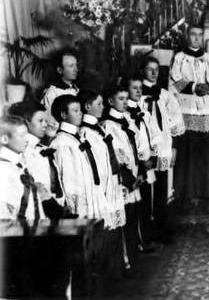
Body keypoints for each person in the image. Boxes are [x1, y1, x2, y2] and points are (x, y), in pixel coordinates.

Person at [169, 26, 209, 200]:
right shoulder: (179, 58)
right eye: (193, 34)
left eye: (200, 35)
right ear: (187, 36)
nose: (196, 38)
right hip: (186, 108)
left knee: (206, 153)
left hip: (205, 111)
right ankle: (187, 192)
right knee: (188, 152)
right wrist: (194, 87)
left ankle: (208, 192)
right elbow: (175, 81)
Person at [139, 59, 185, 238]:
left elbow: (176, 123)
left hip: (164, 147)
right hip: (146, 147)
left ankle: (162, 225)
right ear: (142, 71)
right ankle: (146, 230)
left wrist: (173, 148)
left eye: (156, 70)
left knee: (162, 186)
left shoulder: (165, 95)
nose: (153, 73)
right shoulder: (137, 95)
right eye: (149, 69)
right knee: (146, 188)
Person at [101, 84, 142, 269]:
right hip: (123, 180)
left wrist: (139, 170)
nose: (125, 102)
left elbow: (135, 146)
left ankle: (134, 257)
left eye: (127, 98)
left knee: (133, 218)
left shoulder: (126, 119)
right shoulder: (108, 125)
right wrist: (129, 178)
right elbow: (114, 156)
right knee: (125, 220)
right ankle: (125, 261)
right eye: (121, 99)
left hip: (133, 175)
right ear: (110, 101)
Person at [50, 95, 109, 219]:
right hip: (79, 202)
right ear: (63, 115)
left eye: (80, 110)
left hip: (91, 193)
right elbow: (67, 178)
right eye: (75, 110)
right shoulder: (61, 142)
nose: (81, 114)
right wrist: (73, 206)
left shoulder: (77, 138)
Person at [9, 101, 69, 218]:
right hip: (40, 212)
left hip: (56, 207)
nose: (45, 124)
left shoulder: (42, 149)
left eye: (45, 120)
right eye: (40, 121)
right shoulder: (24, 153)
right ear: (26, 122)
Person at [78, 89, 126, 230]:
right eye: (99, 104)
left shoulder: (100, 129)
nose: (103, 107)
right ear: (87, 106)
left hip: (111, 183)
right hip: (101, 187)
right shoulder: (85, 133)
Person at [124, 76, 162, 249]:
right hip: (137, 165)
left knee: (148, 202)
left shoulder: (145, 113)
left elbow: (155, 135)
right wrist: (141, 162)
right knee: (137, 204)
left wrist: (153, 157)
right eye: (134, 88)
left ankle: (146, 238)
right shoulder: (125, 116)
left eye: (140, 88)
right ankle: (139, 242)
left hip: (148, 163)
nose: (139, 91)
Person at [0, 115, 43, 219]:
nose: (27, 140)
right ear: (5, 139)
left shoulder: (18, 165)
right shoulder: (4, 170)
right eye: (21, 135)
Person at [41, 48, 79, 137]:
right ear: (60, 70)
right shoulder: (51, 93)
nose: (76, 69)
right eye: (71, 66)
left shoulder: (77, 90)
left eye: (76, 66)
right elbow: (50, 125)